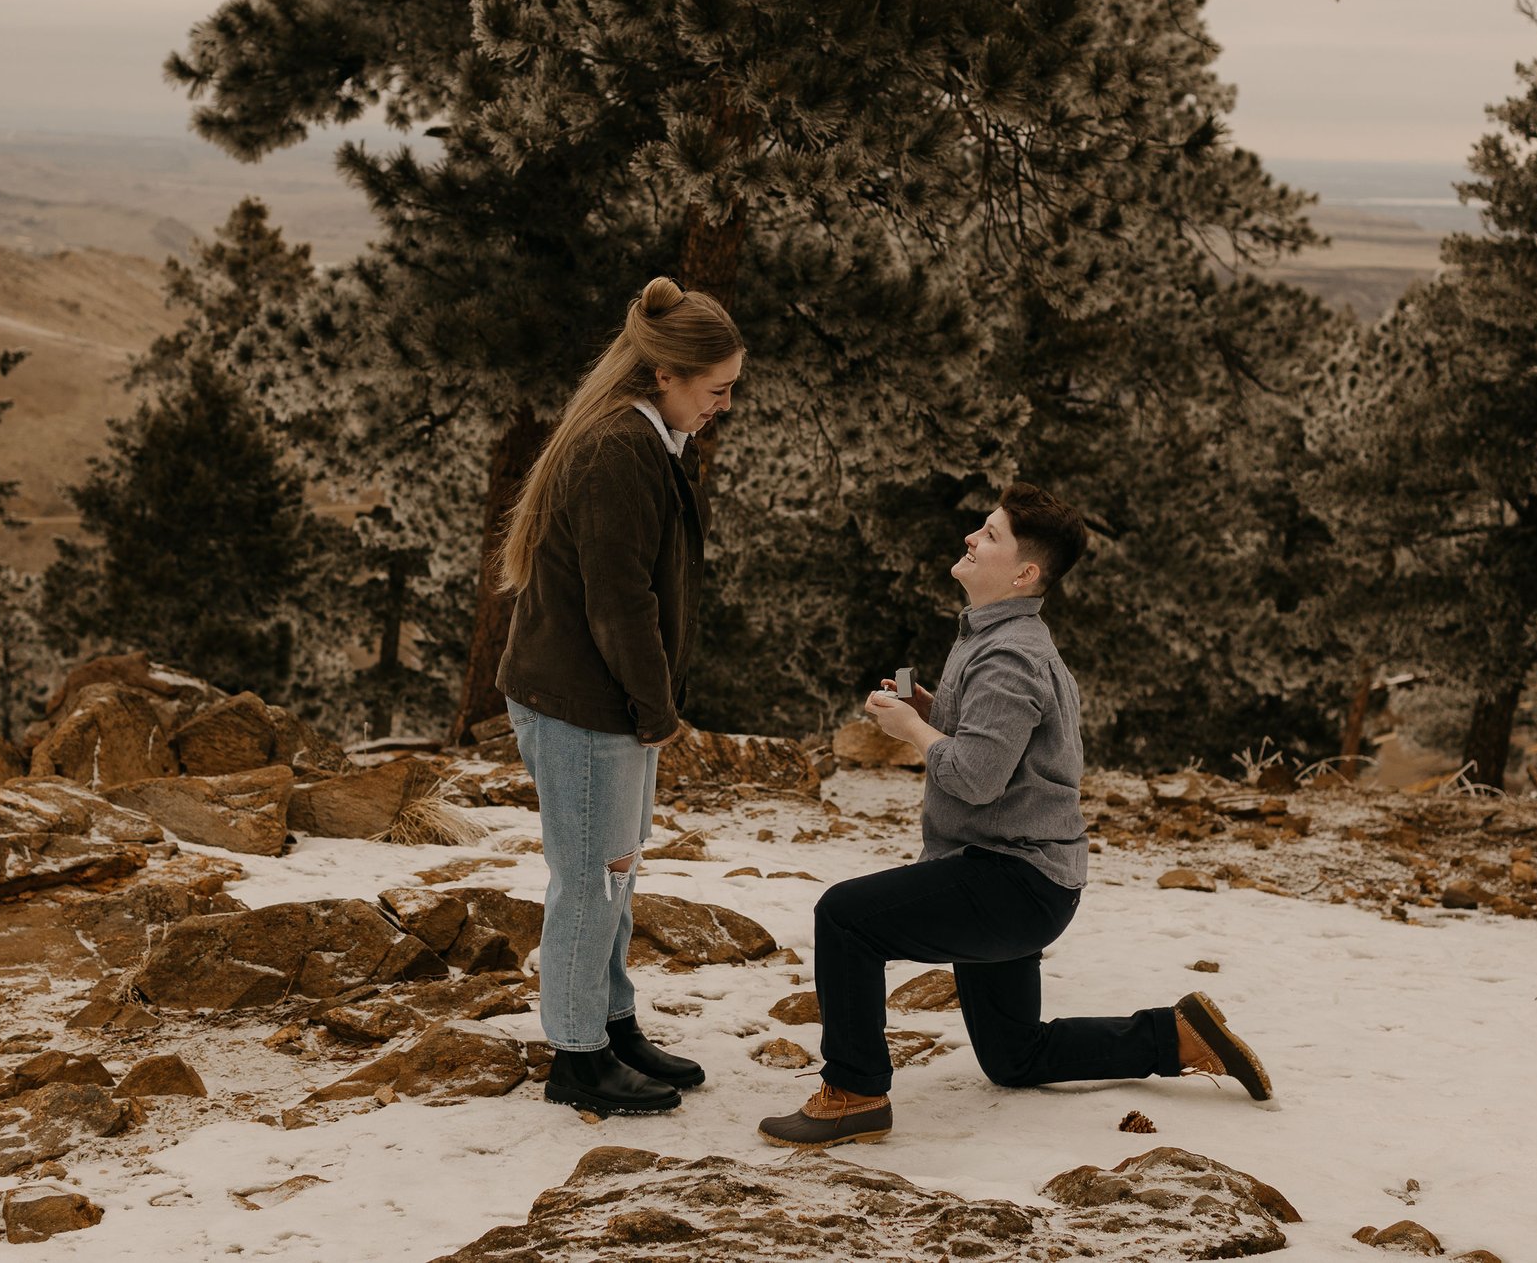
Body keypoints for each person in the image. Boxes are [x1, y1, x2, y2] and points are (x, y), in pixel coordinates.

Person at [759, 482, 1274, 1148]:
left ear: (1025, 573)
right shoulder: (996, 637)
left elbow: (974, 778)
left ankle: (854, 1092)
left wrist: (915, 729)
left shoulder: (1010, 656)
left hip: (1011, 879)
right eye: (981, 526)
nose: (973, 537)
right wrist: (931, 709)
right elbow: (996, 747)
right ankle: (1172, 1034)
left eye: (992, 534)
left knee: (846, 917)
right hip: (1022, 875)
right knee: (1014, 1056)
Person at [496, 275, 745, 1115]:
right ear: (666, 374)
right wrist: (655, 709)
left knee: (615, 872)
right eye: (716, 389)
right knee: (592, 879)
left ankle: (611, 1022)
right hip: (584, 703)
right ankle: (576, 1055)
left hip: (602, 703)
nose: (722, 404)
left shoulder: (647, 437)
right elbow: (619, 601)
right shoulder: (618, 448)